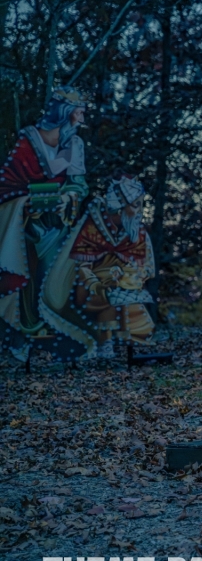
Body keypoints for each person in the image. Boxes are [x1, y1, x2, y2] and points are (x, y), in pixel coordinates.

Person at [0, 86, 91, 362]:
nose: (83, 117)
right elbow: (8, 185)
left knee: (62, 273)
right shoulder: (29, 140)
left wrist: (69, 197)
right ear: (64, 113)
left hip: (59, 223)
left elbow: (79, 184)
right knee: (29, 277)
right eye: (78, 112)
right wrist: (26, 203)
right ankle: (24, 331)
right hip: (26, 225)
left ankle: (60, 332)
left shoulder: (75, 144)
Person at [69, 176, 156, 358]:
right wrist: (96, 284)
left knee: (133, 307)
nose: (139, 211)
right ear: (120, 205)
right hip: (93, 287)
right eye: (135, 205)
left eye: (141, 205)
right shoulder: (94, 225)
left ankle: (127, 343)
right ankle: (104, 342)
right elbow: (83, 266)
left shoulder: (138, 232)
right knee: (110, 293)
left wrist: (138, 276)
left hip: (126, 285)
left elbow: (146, 265)